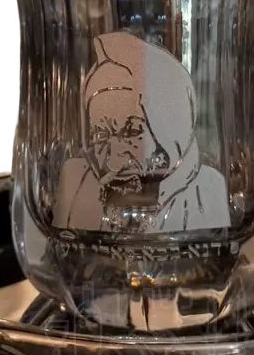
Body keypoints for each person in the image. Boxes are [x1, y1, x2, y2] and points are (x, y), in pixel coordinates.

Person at [52, 31, 230, 233]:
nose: (114, 158)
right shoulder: (76, 186)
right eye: (101, 135)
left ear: (168, 134)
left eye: (132, 131)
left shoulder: (206, 192)